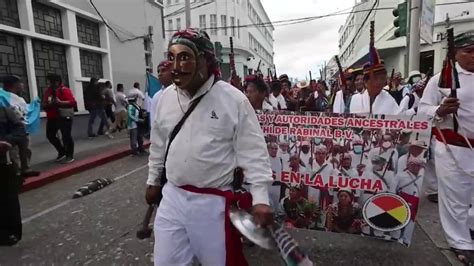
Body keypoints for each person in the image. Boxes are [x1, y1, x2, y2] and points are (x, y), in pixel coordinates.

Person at [146, 28, 273, 266]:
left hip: (212, 204)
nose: (176, 66)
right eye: (172, 58)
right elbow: (159, 143)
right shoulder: (165, 98)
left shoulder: (233, 100)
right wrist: (153, 180)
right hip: (172, 197)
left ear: (205, 60)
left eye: (184, 57)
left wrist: (261, 197)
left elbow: (253, 152)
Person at [418, 29, 474, 264]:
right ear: (456, 53)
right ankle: (460, 242)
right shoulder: (441, 79)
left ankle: (470, 227)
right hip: (452, 147)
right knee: (455, 196)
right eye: (469, 51)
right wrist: (440, 110)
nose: (473, 56)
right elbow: (422, 110)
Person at [350, 22, 399, 115]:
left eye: (381, 79)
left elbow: (399, 121)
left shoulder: (389, 100)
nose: (379, 83)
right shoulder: (355, 99)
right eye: (375, 79)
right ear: (365, 82)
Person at [1, 76, 39, 177]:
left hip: (22, 128)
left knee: (26, 149)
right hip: (10, 129)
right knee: (14, 152)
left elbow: (24, 111)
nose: (23, 85)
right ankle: (16, 172)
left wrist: (34, 105)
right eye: (20, 83)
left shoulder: (19, 98)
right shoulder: (3, 97)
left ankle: (26, 168)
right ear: (14, 85)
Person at [0, 104, 27, 246]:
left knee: (8, 199)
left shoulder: (3, 110)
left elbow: (20, 129)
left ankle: (10, 233)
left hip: (3, 161)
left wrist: (7, 141)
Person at [41, 74, 76, 163]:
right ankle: (62, 151)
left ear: (57, 82)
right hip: (52, 117)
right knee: (50, 135)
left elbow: (72, 102)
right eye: (49, 82)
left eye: (52, 82)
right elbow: (44, 103)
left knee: (66, 136)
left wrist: (60, 102)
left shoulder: (64, 90)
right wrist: (48, 105)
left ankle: (69, 155)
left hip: (64, 116)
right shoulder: (48, 91)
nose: (50, 84)